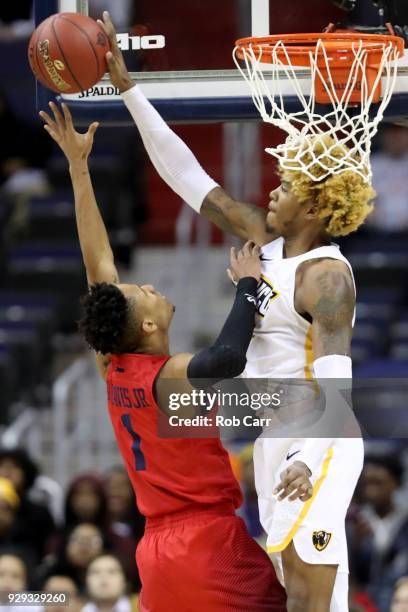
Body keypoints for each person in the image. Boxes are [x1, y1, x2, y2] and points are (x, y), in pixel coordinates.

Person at [99, 11, 375, 611]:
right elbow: (188, 178)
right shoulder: (267, 242)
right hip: (278, 440)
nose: (273, 187)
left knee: (306, 603)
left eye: (289, 182)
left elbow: (338, 390)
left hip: (318, 440)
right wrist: (130, 92)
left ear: (318, 203)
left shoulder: (325, 277)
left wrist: (307, 459)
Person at [39, 102, 290, 611]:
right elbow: (224, 358)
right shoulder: (167, 375)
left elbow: (99, 264)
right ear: (149, 325)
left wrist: (78, 169)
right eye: (144, 291)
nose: (150, 286)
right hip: (205, 543)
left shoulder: (114, 366)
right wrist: (249, 287)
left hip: (156, 549)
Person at [348, 454, 408, 611]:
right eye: (367, 484)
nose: (371, 490)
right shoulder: (355, 522)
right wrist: (357, 547)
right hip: (362, 603)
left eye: (378, 483)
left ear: (396, 483)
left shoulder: (405, 521)